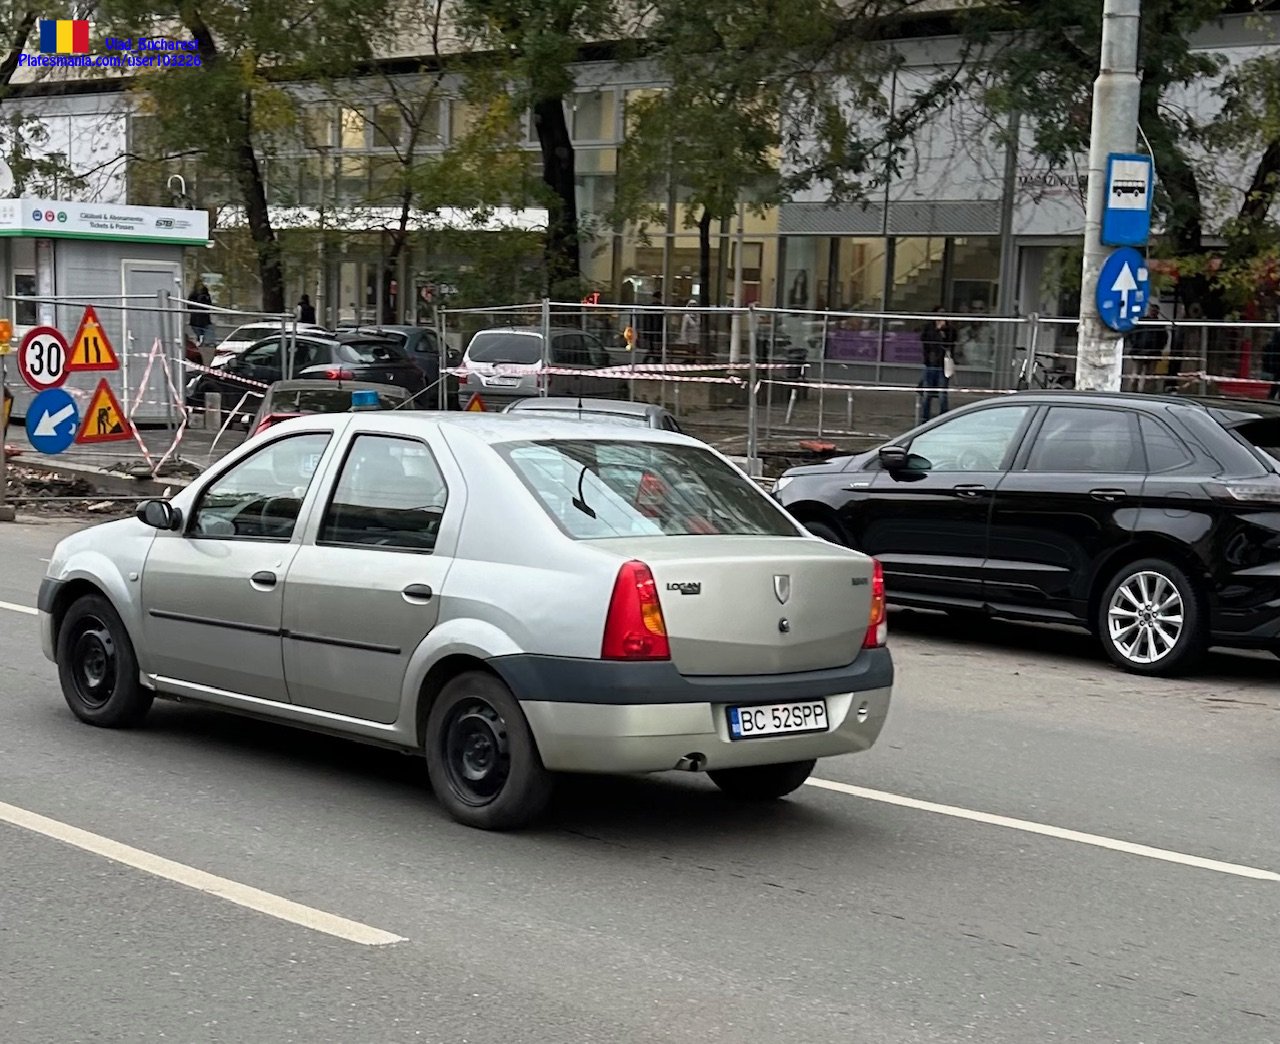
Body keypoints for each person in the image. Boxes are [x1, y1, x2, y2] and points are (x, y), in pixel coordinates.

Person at [918, 306, 955, 422]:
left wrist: (943, 331)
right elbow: (925, 340)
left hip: (942, 364)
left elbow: (950, 342)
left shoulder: (949, 329)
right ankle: (925, 418)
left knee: (942, 393)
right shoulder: (929, 328)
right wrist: (937, 330)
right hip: (930, 363)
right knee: (927, 393)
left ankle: (943, 417)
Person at [1126, 303, 1166, 392]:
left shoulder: (1160, 324)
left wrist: (1159, 348)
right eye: (1152, 310)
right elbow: (1132, 334)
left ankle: (1147, 392)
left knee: (1150, 375)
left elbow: (1163, 338)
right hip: (1140, 350)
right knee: (1136, 373)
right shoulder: (1141, 321)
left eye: (1155, 311)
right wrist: (1135, 344)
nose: (1153, 312)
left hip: (1153, 351)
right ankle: (1132, 391)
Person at [639, 290, 664, 365]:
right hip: (657, 331)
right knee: (655, 348)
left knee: (652, 348)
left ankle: (652, 360)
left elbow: (647, 321)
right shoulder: (660, 307)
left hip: (651, 331)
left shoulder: (650, 307)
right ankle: (656, 361)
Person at [188, 280, 213, 346]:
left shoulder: (206, 295)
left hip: (203, 317)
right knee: (198, 331)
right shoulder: (193, 295)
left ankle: (202, 341)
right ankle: (199, 340)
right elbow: (189, 305)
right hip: (196, 317)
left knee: (204, 331)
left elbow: (209, 305)